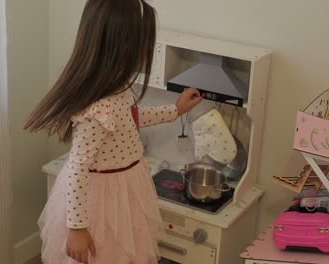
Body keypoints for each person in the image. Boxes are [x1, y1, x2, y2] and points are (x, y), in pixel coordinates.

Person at [24, 0, 203, 263]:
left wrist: (175, 110)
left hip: (127, 188)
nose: (147, 50)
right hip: (101, 203)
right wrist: (76, 227)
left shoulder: (118, 87)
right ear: (122, 45)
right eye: (144, 43)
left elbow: (129, 119)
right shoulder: (99, 107)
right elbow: (77, 167)